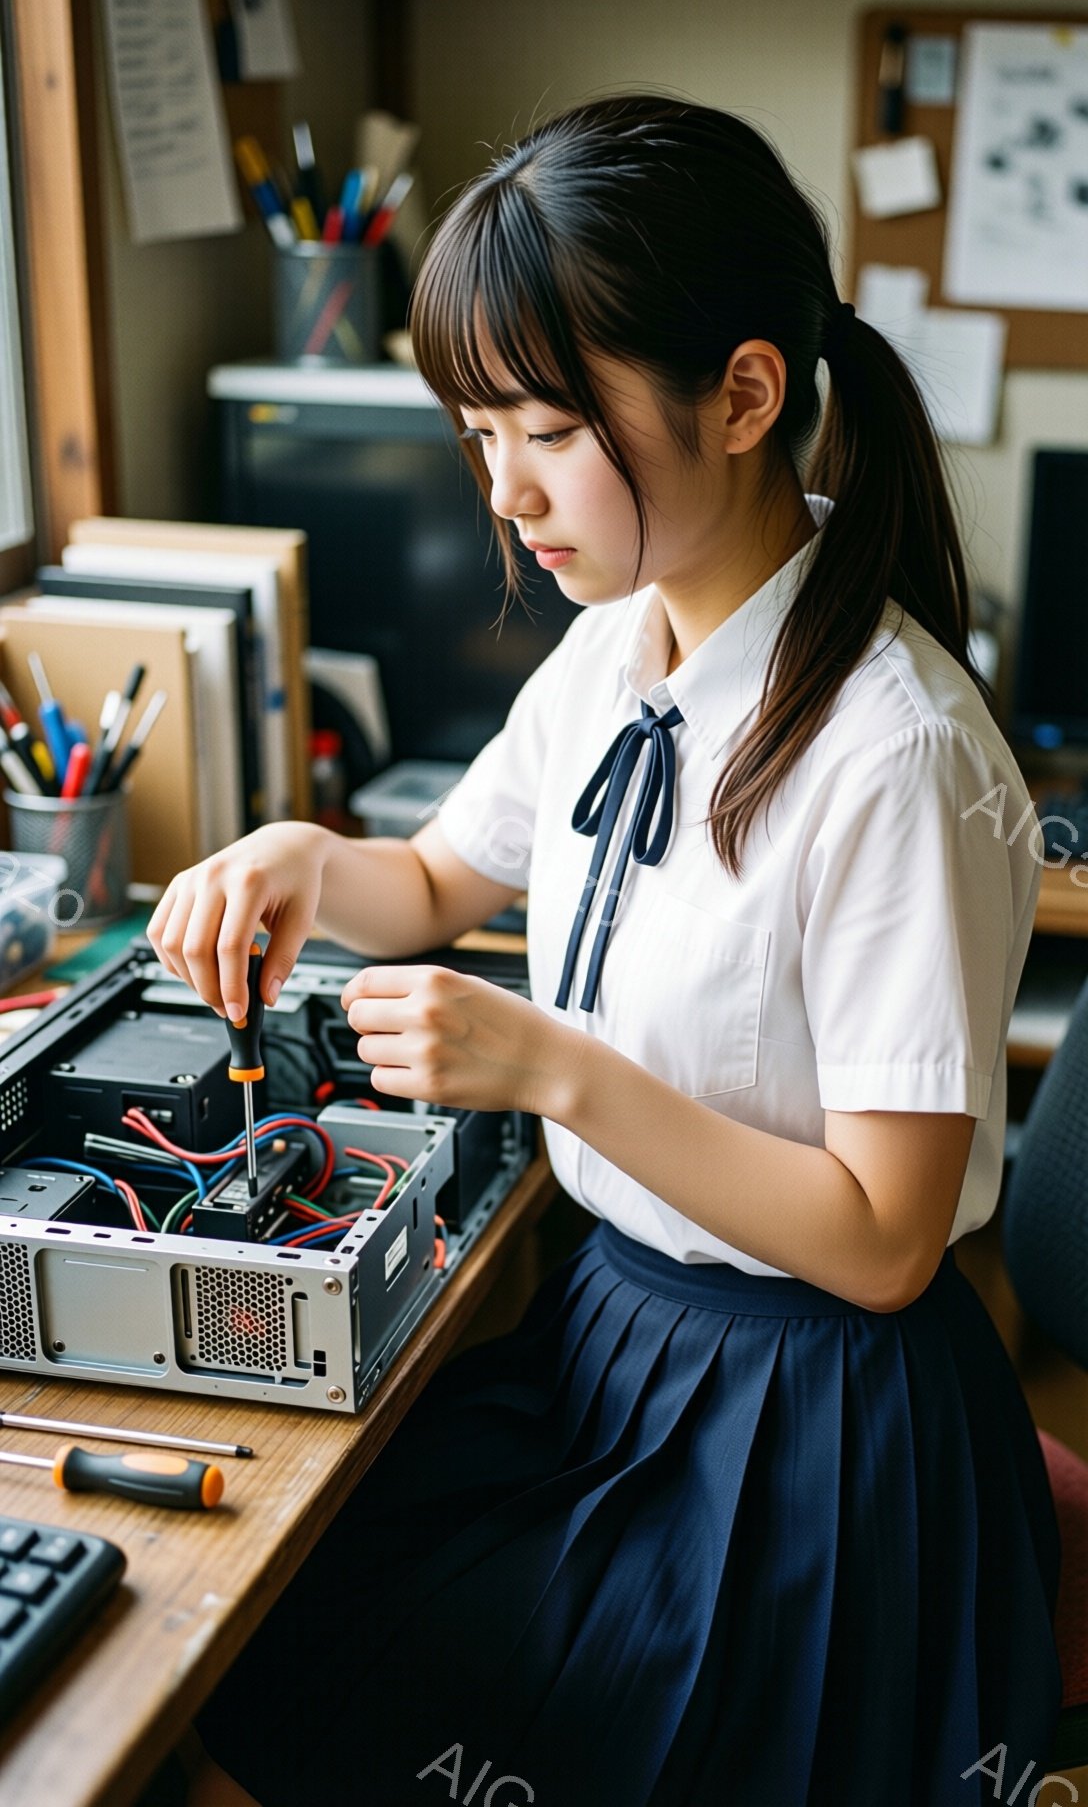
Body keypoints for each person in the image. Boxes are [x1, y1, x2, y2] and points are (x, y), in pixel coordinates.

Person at [148, 94, 1061, 1807]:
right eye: (479, 432)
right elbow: (435, 876)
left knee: (372, 1669)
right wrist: (301, 859)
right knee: (264, 1610)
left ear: (745, 397)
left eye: (550, 432)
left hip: (809, 1418)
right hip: (620, 1343)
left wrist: (553, 1068)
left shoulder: (897, 754)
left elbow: (885, 1242)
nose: (506, 494)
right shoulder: (614, 645)